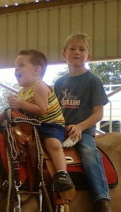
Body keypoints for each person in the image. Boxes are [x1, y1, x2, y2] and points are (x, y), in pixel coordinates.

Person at [54, 33, 112, 212]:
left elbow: (98, 113)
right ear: (64, 54)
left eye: (81, 49)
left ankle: (102, 201)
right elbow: (54, 110)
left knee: (88, 153)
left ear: (89, 56)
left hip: (83, 131)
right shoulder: (60, 83)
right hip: (60, 130)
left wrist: (80, 127)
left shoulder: (92, 81)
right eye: (72, 49)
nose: (76, 52)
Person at [7, 49, 74, 192]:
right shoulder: (22, 92)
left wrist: (20, 104)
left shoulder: (40, 86)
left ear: (37, 70)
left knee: (52, 143)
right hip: (36, 126)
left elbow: (41, 109)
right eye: (15, 66)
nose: (16, 69)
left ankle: (62, 174)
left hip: (51, 125)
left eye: (21, 65)